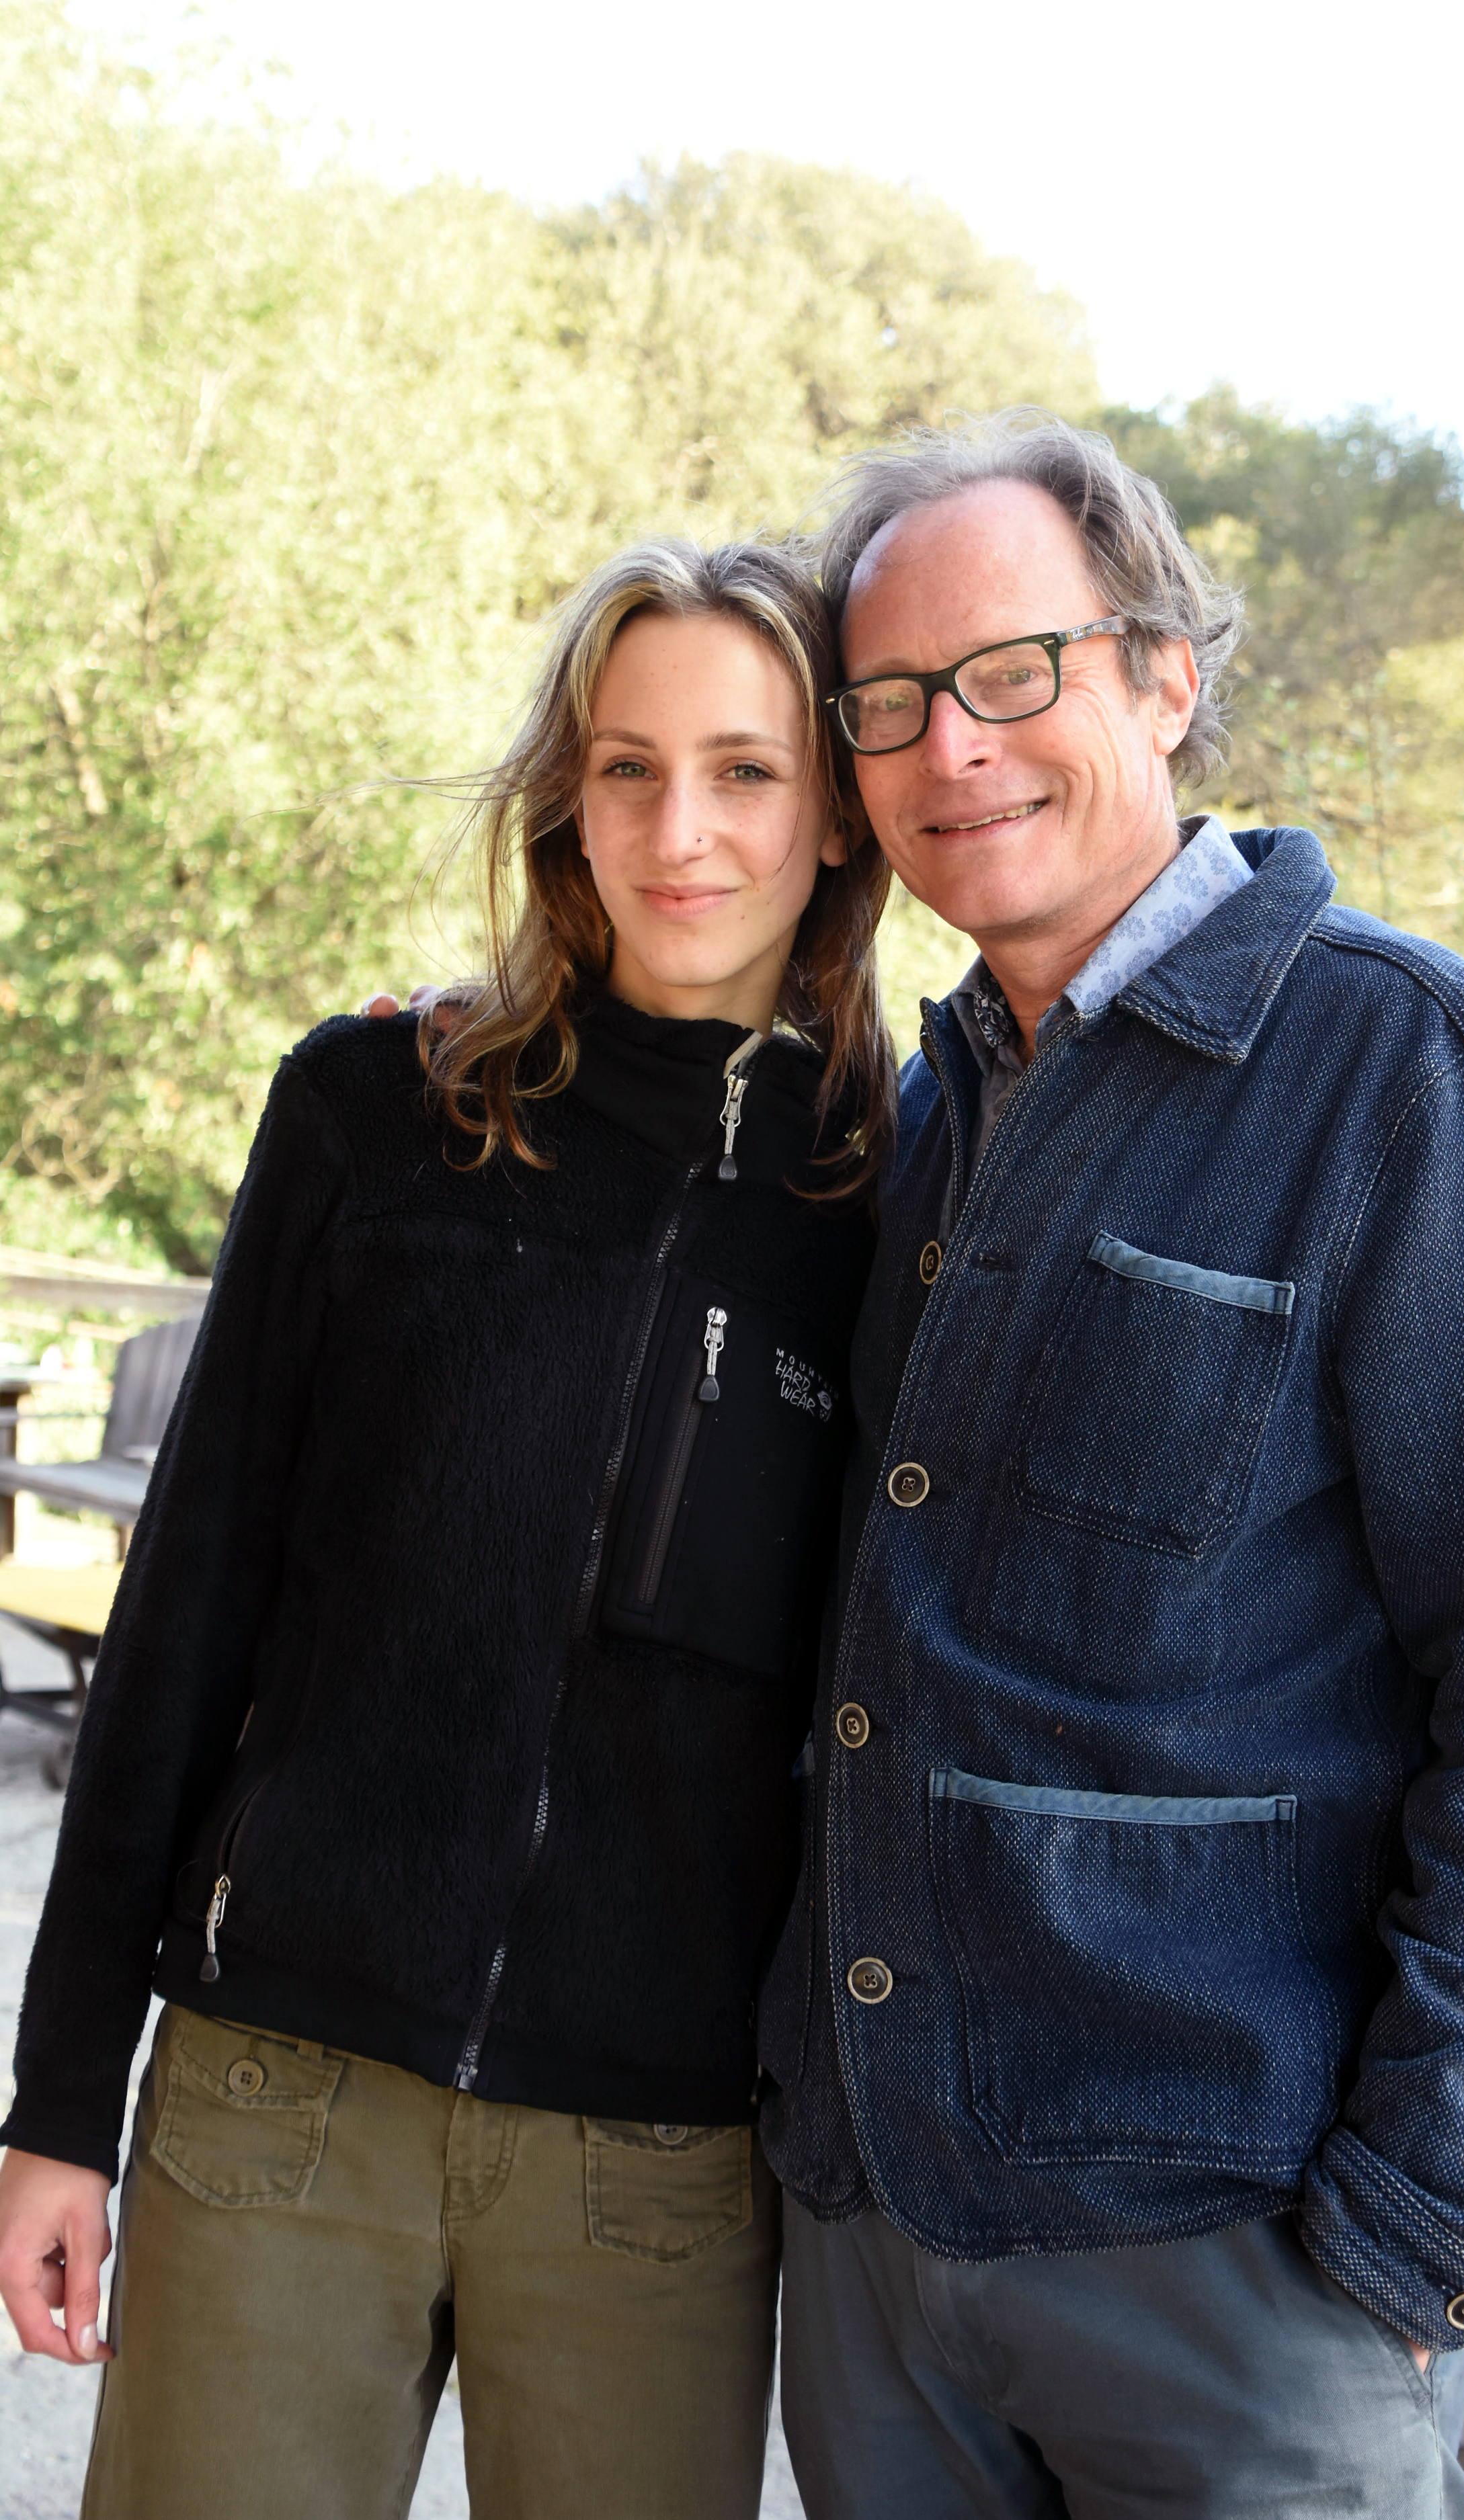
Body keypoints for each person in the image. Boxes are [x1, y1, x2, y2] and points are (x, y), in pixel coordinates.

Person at [755, 412, 1464, 2519]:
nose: (949, 745)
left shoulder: (1405, 1067)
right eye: (884, 701)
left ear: (1165, 677)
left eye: (1011, 671)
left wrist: (1413, 2191)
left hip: (1241, 2261)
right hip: (875, 2236)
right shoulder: (916, 1114)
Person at [0, 537, 893, 2519]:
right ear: (565, 794)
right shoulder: (377, 1108)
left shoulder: (895, 1202)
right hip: (280, 2097)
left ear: (836, 811)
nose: (679, 830)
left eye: (745, 770)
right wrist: (58, 2097)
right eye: (626, 766)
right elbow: (187, 1606)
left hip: (657, 2166)